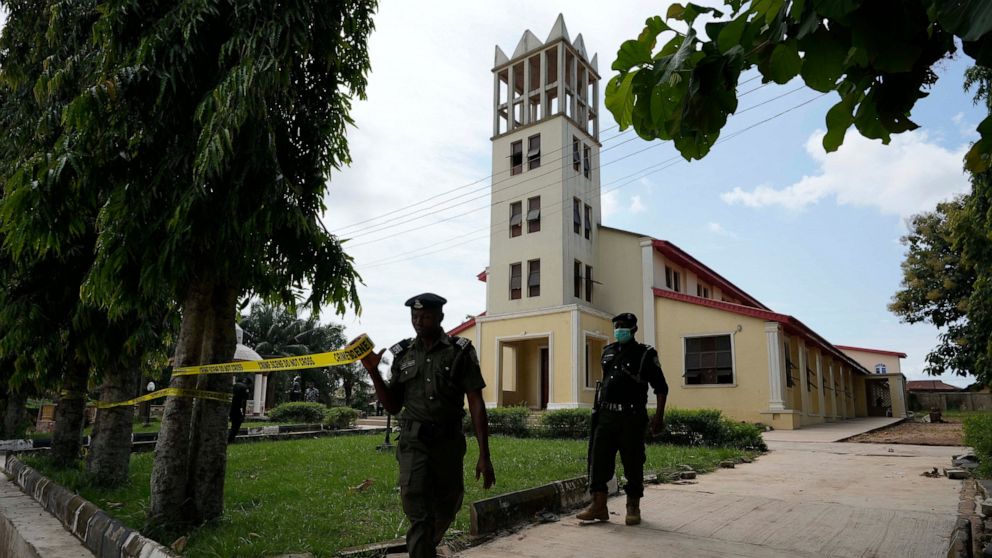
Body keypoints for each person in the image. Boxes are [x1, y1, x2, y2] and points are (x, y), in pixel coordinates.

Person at [358, 292, 496, 558]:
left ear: (440, 317)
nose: (419, 322)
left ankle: (425, 548)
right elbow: (392, 406)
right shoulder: (403, 353)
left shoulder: (460, 352)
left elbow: (476, 402)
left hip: (448, 443)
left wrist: (484, 455)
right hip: (414, 443)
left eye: (426, 317)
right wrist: (373, 371)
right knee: (418, 511)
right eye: (415, 317)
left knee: (448, 504)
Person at [577, 312, 668, 526]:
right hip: (606, 415)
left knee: (633, 461)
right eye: (617, 326)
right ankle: (599, 505)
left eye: (624, 326)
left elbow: (661, 387)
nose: (619, 329)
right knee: (598, 461)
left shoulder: (645, 354)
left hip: (632, 416)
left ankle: (633, 506)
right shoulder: (608, 352)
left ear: (634, 329)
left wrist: (659, 417)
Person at [229, 377, 252, 444]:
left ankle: (230, 438)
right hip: (238, 408)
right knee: (236, 425)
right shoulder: (245, 388)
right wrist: (243, 413)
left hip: (231, 408)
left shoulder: (235, 385)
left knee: (233, 423)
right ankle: (230, 439)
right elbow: (244, 401)